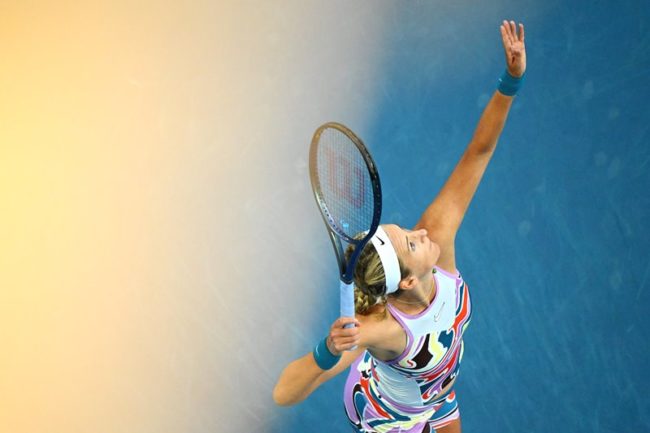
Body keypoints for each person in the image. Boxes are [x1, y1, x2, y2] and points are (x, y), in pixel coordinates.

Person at [273, 20, 527, 433]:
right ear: (406, 282)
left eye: (407, 233)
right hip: (389, 419)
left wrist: (510, 81)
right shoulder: (381, 328)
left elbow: (478, 152)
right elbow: (284, 394)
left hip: (439, 396)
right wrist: (325, 351)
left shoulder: (438, 235)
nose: (423, 232)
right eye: (412, 243)